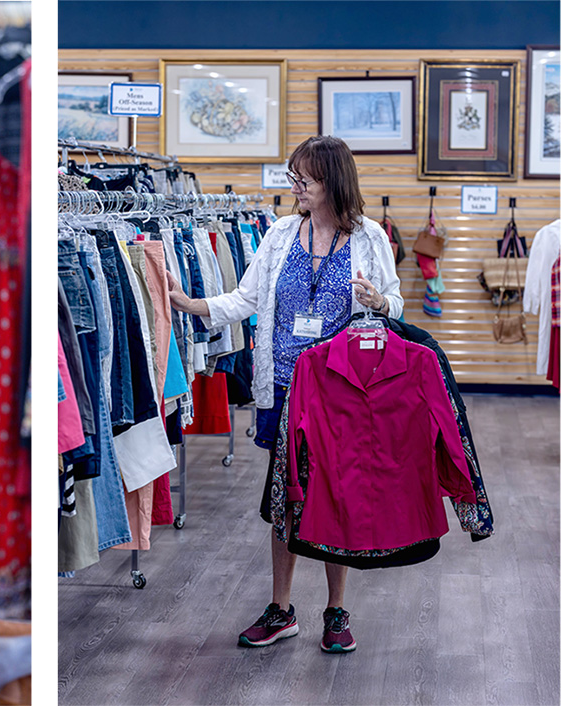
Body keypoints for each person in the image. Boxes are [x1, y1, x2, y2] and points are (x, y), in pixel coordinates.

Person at [167, 135, 403, 654]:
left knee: (336, 499)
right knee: (285, 498)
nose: (294, 186)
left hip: (342, 392)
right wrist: (190, 303)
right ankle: (281, 609)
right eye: (293, 177)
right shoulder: (277, 235)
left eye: (305, 179)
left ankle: (336, 612)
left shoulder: (369, 239)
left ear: (333, 183)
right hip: (283, 387)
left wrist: (378, 300)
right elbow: (246, 298)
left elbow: (397, 305)